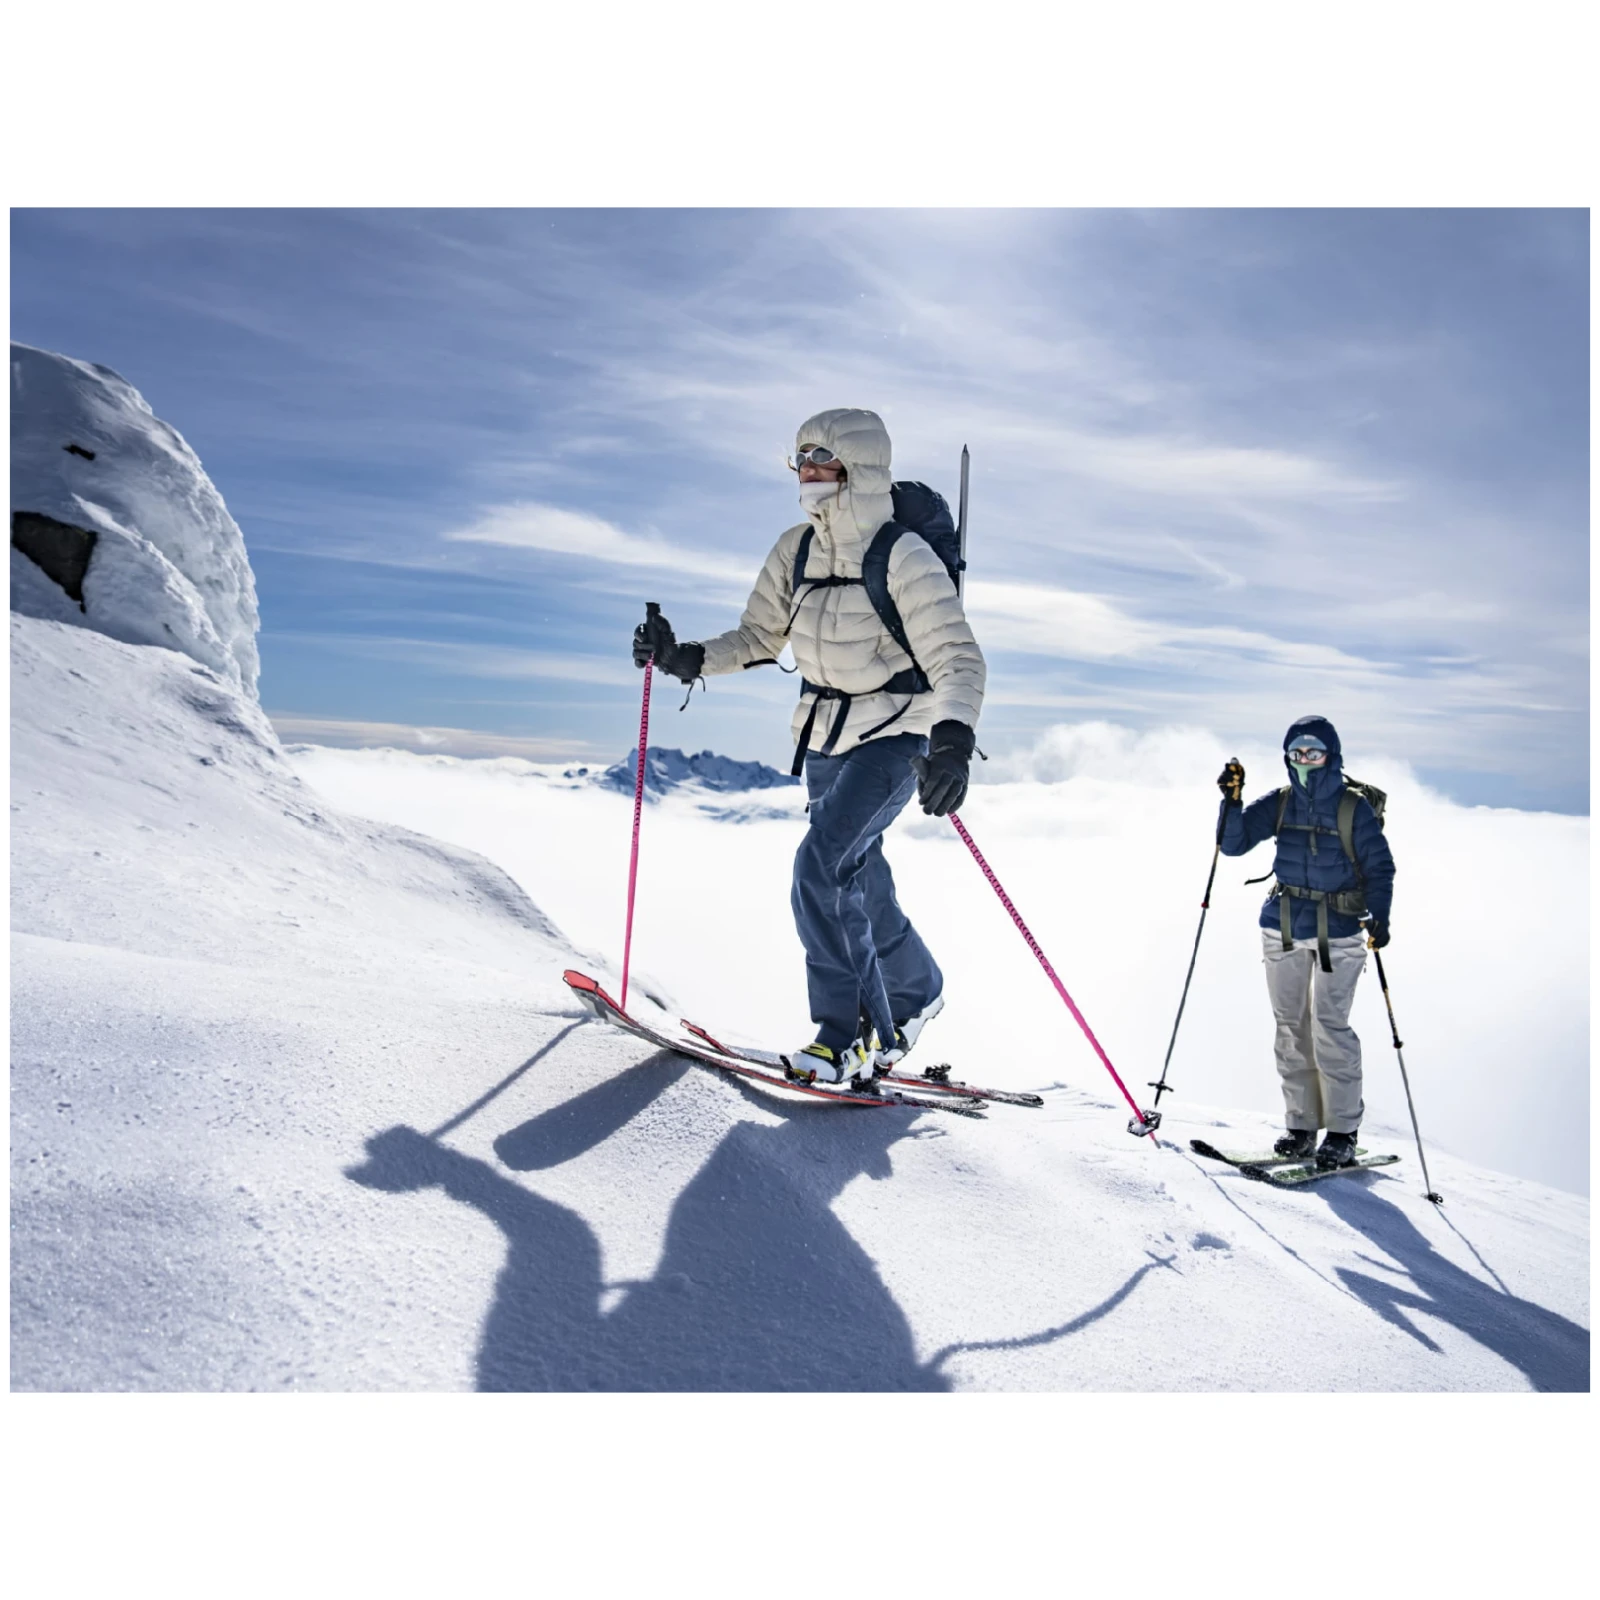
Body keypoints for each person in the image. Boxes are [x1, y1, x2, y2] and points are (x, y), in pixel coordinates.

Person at [631, 407, 986, 1086]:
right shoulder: (795, 549)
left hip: (898, 735)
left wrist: (953, 743)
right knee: (857, 874)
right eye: (800, 457)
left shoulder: (902, 554)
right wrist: (683, 657)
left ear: (859, 464)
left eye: (821, 455)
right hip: (824, 736)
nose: (807, 469)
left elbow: (958, 657)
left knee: (820, 868)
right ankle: (915, 989)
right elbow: (758, 637)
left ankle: (848, 1037)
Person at [1216, 715, 1396, 1168]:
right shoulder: (1280, 802)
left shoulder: (1353, 807)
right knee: (1290, 1027)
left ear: (1330, 756)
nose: (1304, 759)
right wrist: (1231, 803)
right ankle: (1300, 1126)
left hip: (1340, 930)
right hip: (1282, 926)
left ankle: (1342, 1133)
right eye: (1296, 752)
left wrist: (1380, 917)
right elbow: (1233, 845)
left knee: (1329, 1027)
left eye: (1313, 752)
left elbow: (1380, 867)